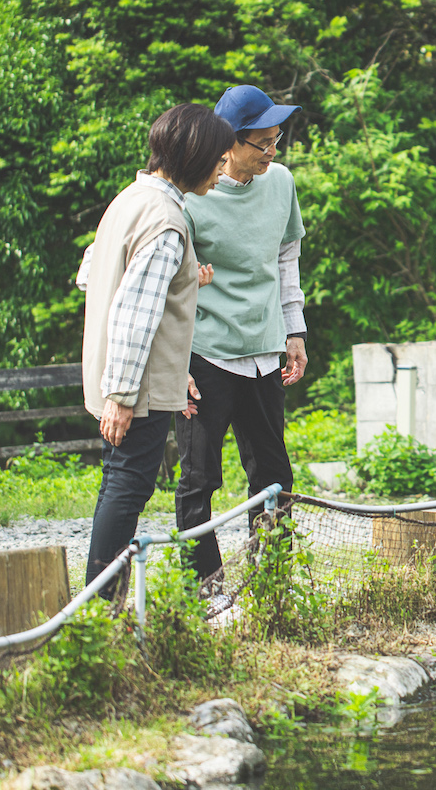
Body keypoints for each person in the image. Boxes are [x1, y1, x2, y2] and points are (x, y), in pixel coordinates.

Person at [80, 104, 235, 591]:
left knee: (116, 486)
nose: (222, 169)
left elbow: (92, 276)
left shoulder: (129, 199)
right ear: (195, 156)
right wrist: (123, 395)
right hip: (136, 387)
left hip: (113, 376)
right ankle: (101, 608)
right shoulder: (167, 222)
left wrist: (185, 282)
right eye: (218, 158)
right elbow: (135, 314)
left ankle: (99, 605)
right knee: (128, 489)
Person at [174, 84, 308, 581]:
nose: (273, 153)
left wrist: (294, 330)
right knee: (198, 478)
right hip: (205, 353)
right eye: (263, 144)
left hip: (264, 348)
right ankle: (205, 588)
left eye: (278, 141)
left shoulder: (281, 182)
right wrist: (174, 364)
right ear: (227, 145)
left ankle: (269, 582)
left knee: (274, 474)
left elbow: (285, 258)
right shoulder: (189, 199)